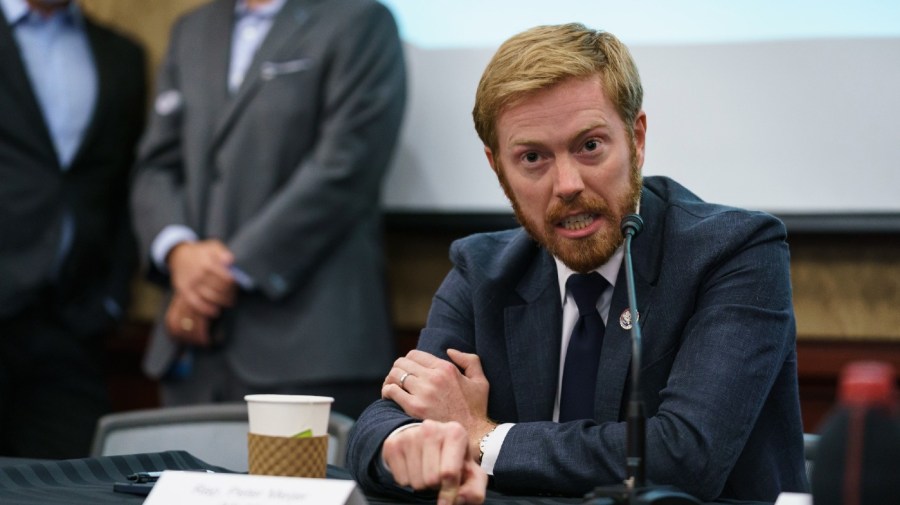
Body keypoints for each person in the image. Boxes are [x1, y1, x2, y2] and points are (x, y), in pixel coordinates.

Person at [346, 23, 808, 504]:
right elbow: (383, 420)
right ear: (497, 166)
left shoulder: (733, 252)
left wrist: (482, 438)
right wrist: (408, 444)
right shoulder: (484, 270)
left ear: (637, 138)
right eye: (532, 158)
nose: (566, 184)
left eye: (589, 146)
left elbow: (683, 455)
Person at [130, 0, 405, 419]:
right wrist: (178, 252)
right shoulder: (193, 28)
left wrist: (219, 274)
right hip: (193, 351)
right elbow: (156, 165)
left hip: (307, 347)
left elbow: (344, 168)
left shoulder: (360, 19)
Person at [0, 0, 145, 458]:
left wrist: (111, 297)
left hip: (72, 322)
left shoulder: (120, 54)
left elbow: (123, 182)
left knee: (70, 484)